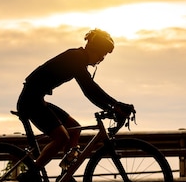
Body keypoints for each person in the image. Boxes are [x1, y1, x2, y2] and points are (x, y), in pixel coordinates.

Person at [16, 28, 133, 172]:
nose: (102, 59)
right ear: (95, 49)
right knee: (62, 138)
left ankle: (66, 173)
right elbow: (89, 89)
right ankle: (31, 175)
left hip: (36, 99)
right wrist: (115, 105)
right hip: (31, 101)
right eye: (102, 54)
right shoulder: (76, 58)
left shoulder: (78, 58)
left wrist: (112, 106)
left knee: (74, 128)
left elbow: (91, 91)